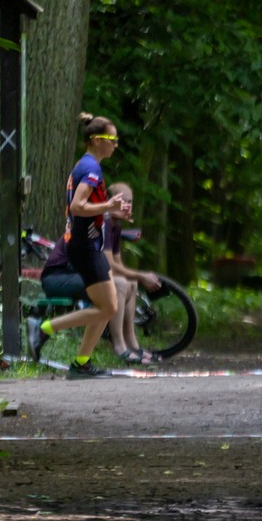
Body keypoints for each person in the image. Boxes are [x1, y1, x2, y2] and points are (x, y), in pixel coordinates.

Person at [35, 116, 133, 378]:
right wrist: (108, 206)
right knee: (109, 307)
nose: (115, 145)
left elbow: (90, 210)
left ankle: (82, 362)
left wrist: (113, 212)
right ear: (97, 140)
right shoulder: (91, 169)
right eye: (112, 140)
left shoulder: (89, 166)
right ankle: (45, 328)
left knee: (107, 305)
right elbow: (78, 207)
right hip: (85, 248)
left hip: (88, 245)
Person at [102, 182, 165, 364]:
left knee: (130, 282)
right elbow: (111, 266)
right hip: (75, 273)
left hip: (97, 273)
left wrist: (135, 277)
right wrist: (141, 275)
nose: (127, 206)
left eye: (130, 202)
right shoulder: (103, 222)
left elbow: (118, 262)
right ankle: (119, 346)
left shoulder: (115, 225)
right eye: (122, 201)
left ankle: (133, 345)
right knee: (121, 282)